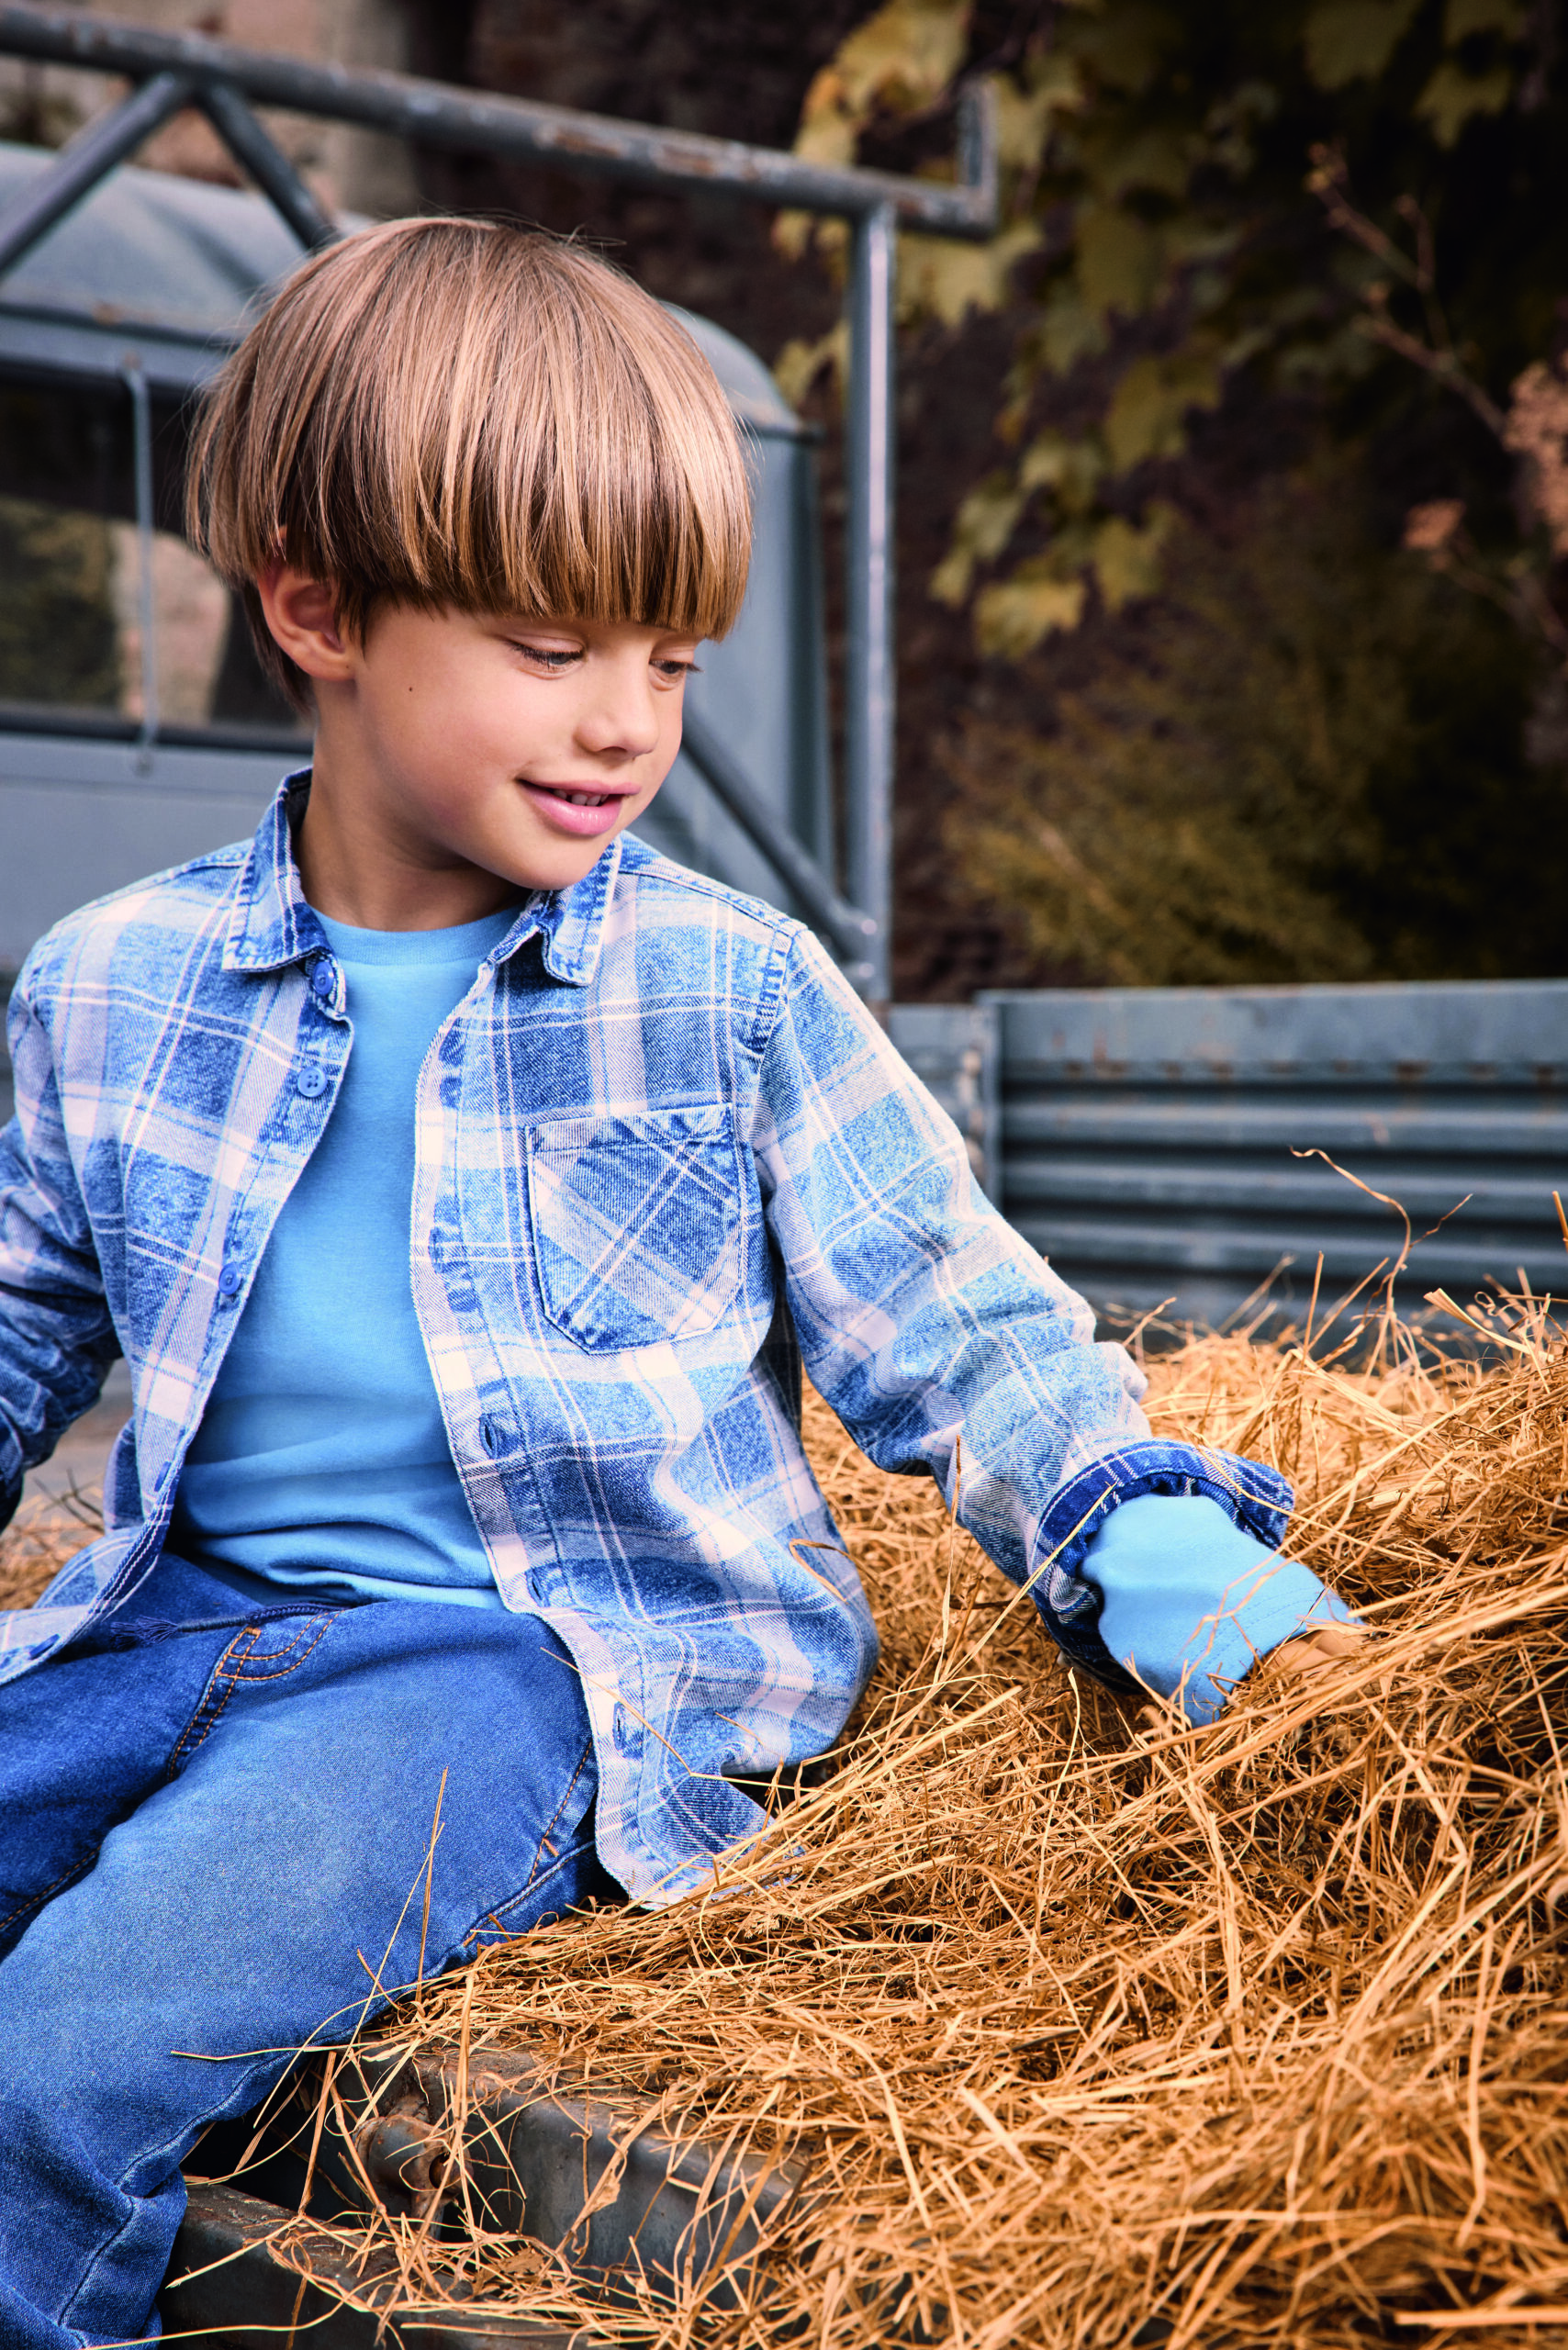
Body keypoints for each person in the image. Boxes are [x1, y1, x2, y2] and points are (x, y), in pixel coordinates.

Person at [0, 218, 1358, 2347]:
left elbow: (953, 1317)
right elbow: (15, 1325)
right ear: (315, 604)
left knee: (51, 2066)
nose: (626, 720)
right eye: (554, 644)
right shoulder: (112, 985)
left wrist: (1156, 1544)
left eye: (672, 659)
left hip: (495, 1672)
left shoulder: (721, 991)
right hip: (163, 1619)